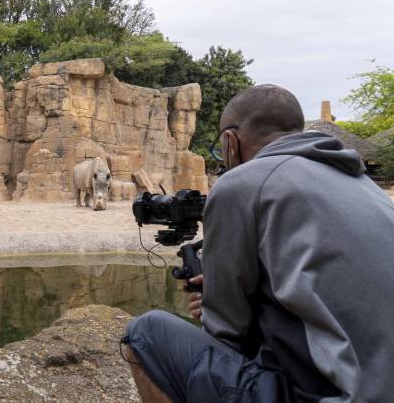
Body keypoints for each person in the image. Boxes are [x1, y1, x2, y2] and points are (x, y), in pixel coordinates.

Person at [121, 84, 394, 402]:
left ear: (229, 141)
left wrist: (215, 304)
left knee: (146, 333)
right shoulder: (364, 186)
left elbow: (227, 335)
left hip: (333, 395)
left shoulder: (242, 183)